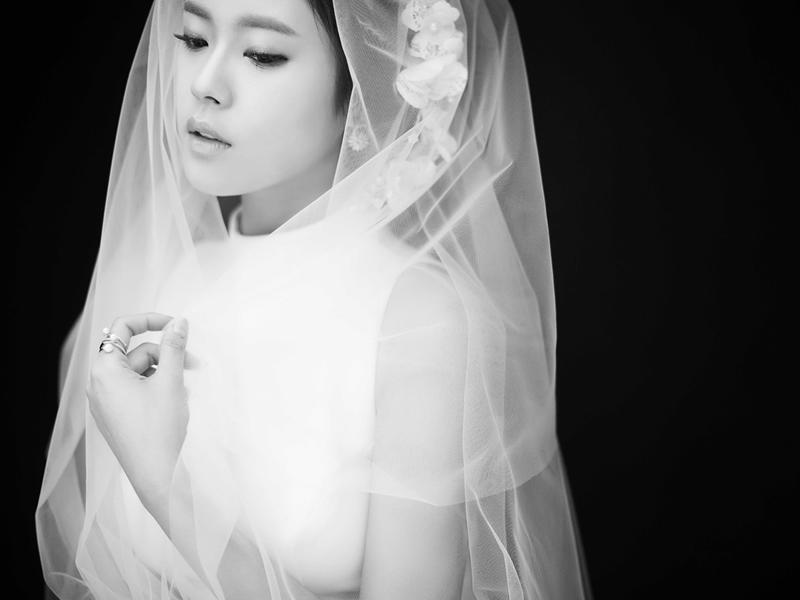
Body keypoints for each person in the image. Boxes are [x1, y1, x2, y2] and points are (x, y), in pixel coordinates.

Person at [37, 0, 593, 598]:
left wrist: (163, 483)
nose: (205, 84)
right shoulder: (155, 277)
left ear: (368, 79)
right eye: (194, 39)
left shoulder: (413, 318)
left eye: (262, 54)